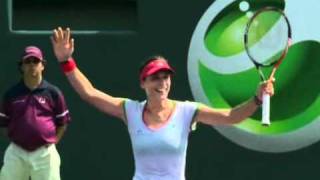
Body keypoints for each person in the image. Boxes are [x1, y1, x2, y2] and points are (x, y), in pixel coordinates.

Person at [50, 27, 274, 180]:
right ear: (143, 83)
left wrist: (256, 99)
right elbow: (89, 93)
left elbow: (230, 116)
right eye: (155, 77)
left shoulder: (187, 111)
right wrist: (65, 61)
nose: (162, 82)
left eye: (166, 77)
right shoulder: (130, 110)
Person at [0, 46, 71, 180]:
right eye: (28, 62)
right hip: (17, 152)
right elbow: (3, 123)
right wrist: (17, 139)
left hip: (45, 153)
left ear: (42, 65)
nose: (32, 65)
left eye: (35, 61)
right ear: (22, 66)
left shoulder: (53, 93)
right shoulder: (11, 94)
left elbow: (63, 122)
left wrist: (53, 142)